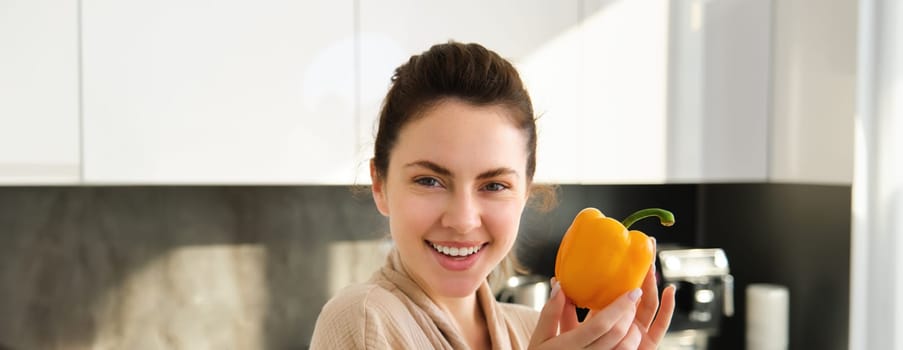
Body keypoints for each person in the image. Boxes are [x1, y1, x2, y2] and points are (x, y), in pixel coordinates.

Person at [310, 41, 676, 349]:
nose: (463, 219)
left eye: (494, 185)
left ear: (525, 193)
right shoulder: (364, 320)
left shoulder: (532, 330)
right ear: (380, 184)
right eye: (429, 180)